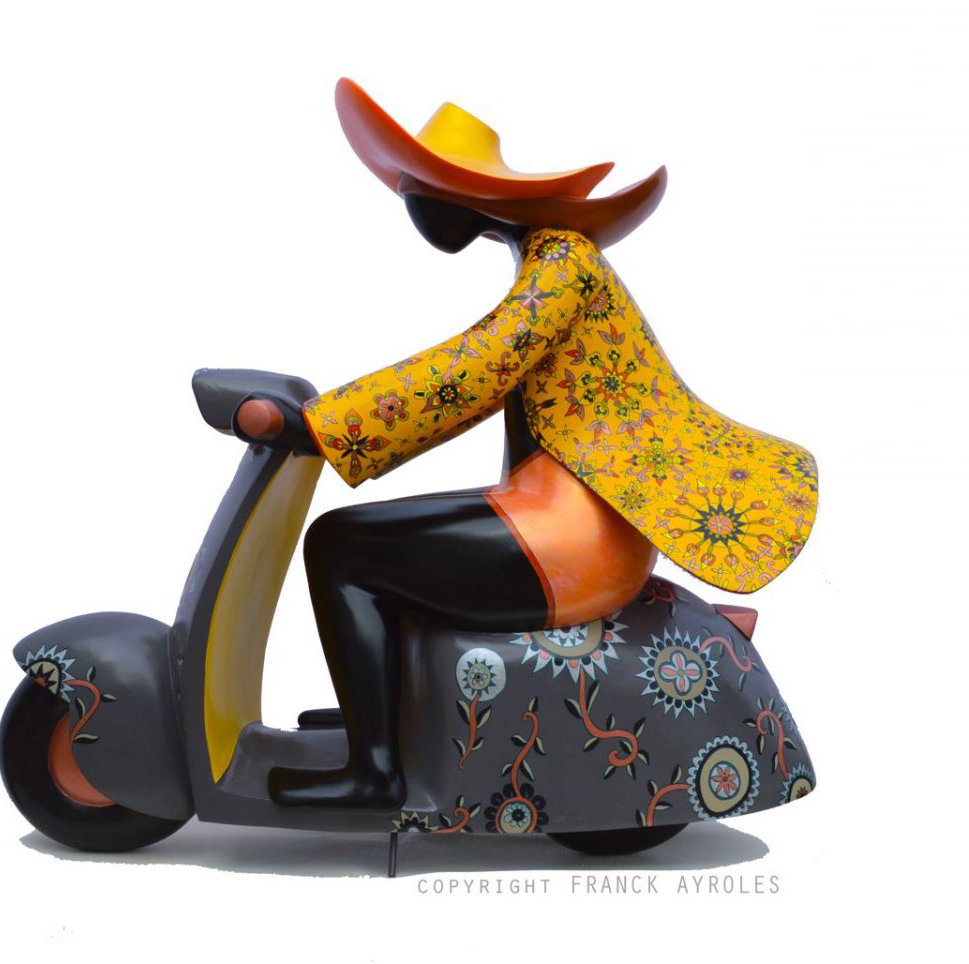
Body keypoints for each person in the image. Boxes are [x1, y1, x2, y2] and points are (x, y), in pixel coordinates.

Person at [241, 79, 819, 809]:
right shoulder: (553, 258)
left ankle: (376, 770)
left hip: (577, 534)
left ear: (462, 196)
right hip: (562, 511)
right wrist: (328, 422)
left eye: (422, 187)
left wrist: (324, 425)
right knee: (385, 542)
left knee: (342, 548)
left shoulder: (561, 265)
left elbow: (477, 369)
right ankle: (382, 720)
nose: (412, 199)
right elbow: (479, 381)